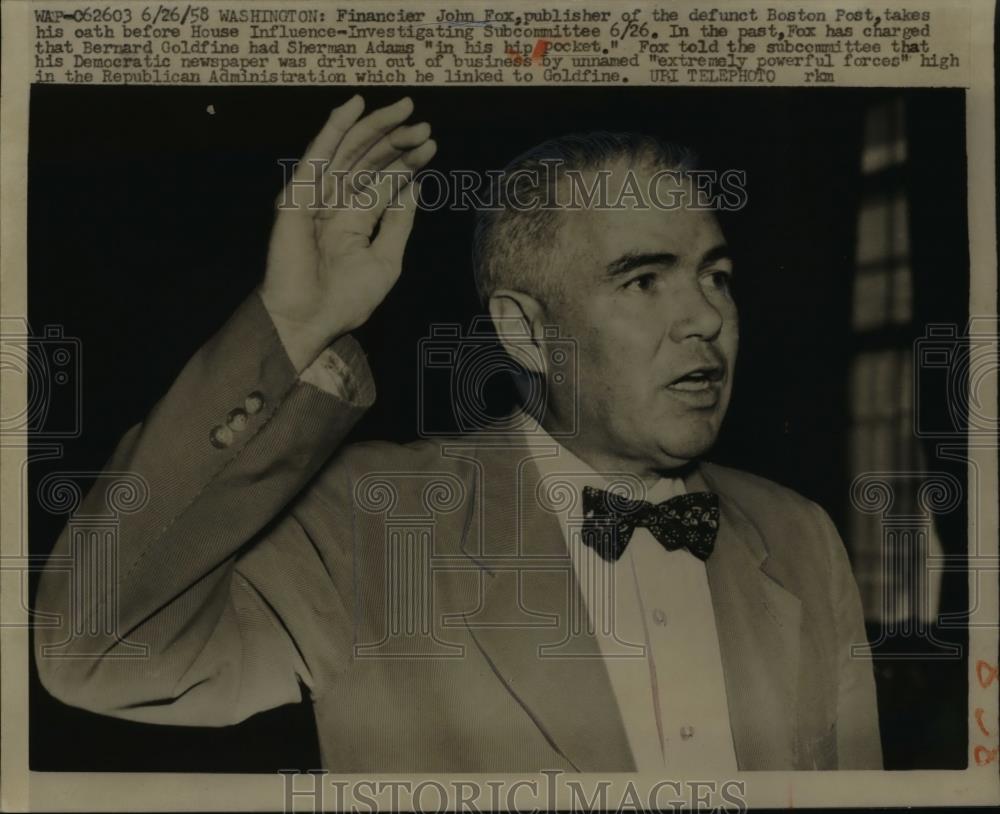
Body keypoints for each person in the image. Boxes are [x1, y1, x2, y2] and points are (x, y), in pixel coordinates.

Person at [35, 95, 882, 773]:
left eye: (717, 276)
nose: (707, 316)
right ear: (523, 333)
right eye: (644, 280)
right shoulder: (377, 521)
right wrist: (294, 323)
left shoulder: (799, 536)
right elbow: (94, 650)